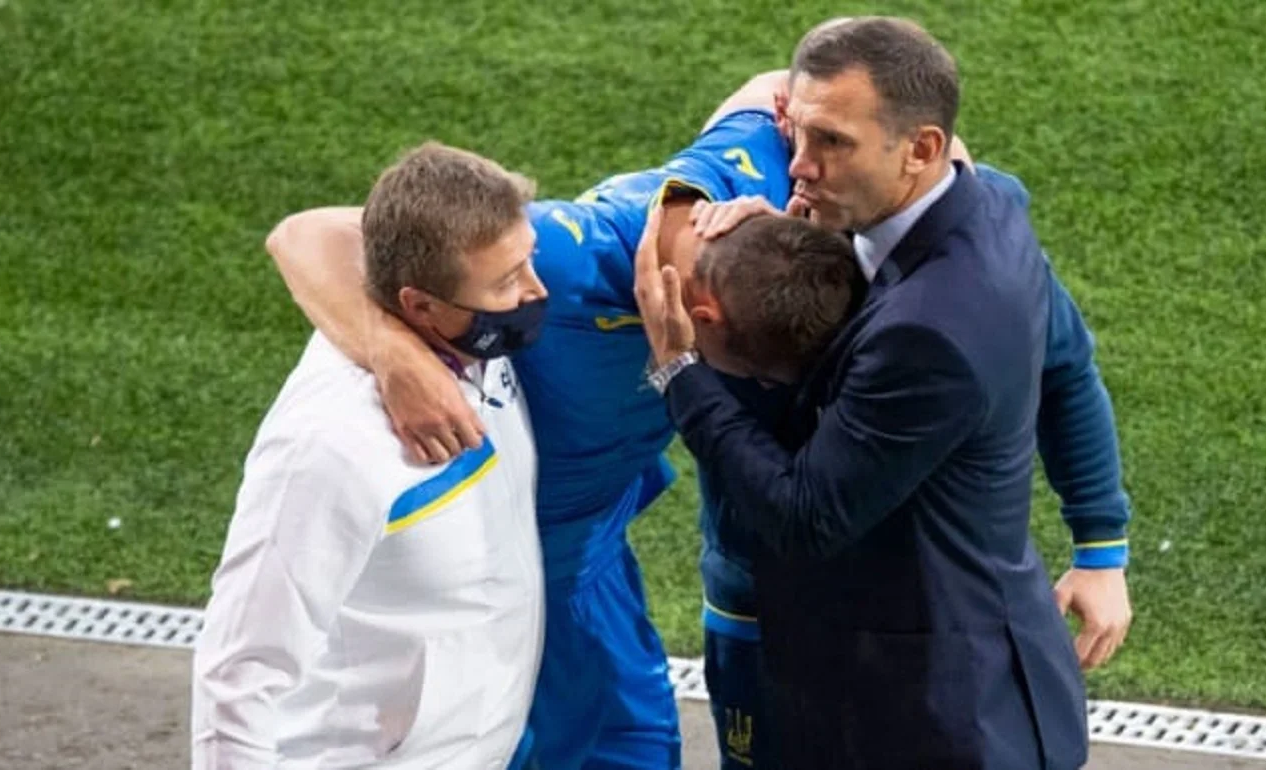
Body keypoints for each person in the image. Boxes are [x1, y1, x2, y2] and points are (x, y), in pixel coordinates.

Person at [262, 75, 798, 770]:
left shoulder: (766, 183)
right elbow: (305, 234)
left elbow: (786, 83)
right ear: (700, 318)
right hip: (498, 574)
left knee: (635, 752)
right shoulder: (560, 258)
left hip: (590, 553)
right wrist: (393, 351)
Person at [636, 17, 1101, 769]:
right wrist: (780, 254)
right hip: (933, 674)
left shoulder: (932, 329)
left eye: (832, 143)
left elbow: (804, 515)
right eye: (797, 132)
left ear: (921, 148)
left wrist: (678, 370)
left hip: (927, 712)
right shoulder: (984, 207)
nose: (798, 167)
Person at [191, 143, 548, 769]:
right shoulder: (328, 446)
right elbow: (238, 674)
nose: (534, 291)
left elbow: (321, 230)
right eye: (505, 282)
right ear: (420, 305)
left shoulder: (473, 344)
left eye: (528, 261)